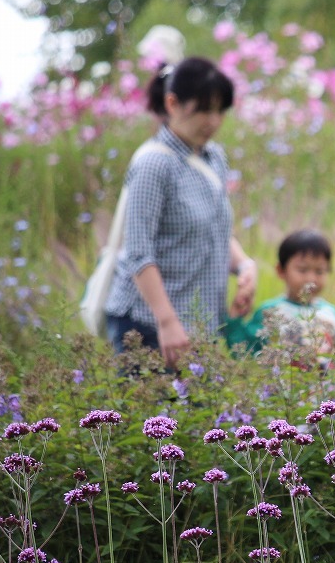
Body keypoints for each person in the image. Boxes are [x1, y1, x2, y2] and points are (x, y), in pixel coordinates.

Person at [104, 55, 257, 366]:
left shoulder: (214, 157)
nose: (213, 121)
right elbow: (138, 253)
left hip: (200, 325)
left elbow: (213, 228)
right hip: (149, 326)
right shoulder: (153, 164)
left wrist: (243, 265)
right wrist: (167, 322)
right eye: (203, 110)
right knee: (152, 414)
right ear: (172, 104)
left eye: (219, 111)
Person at [227, 229, 335, 365]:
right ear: (281, 270)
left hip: (329, 386)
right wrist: (234, 319)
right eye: (302, 270)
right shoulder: (270, 312)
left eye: (320, 271)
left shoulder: (332, 314)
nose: (311, 278)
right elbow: (243, 352)